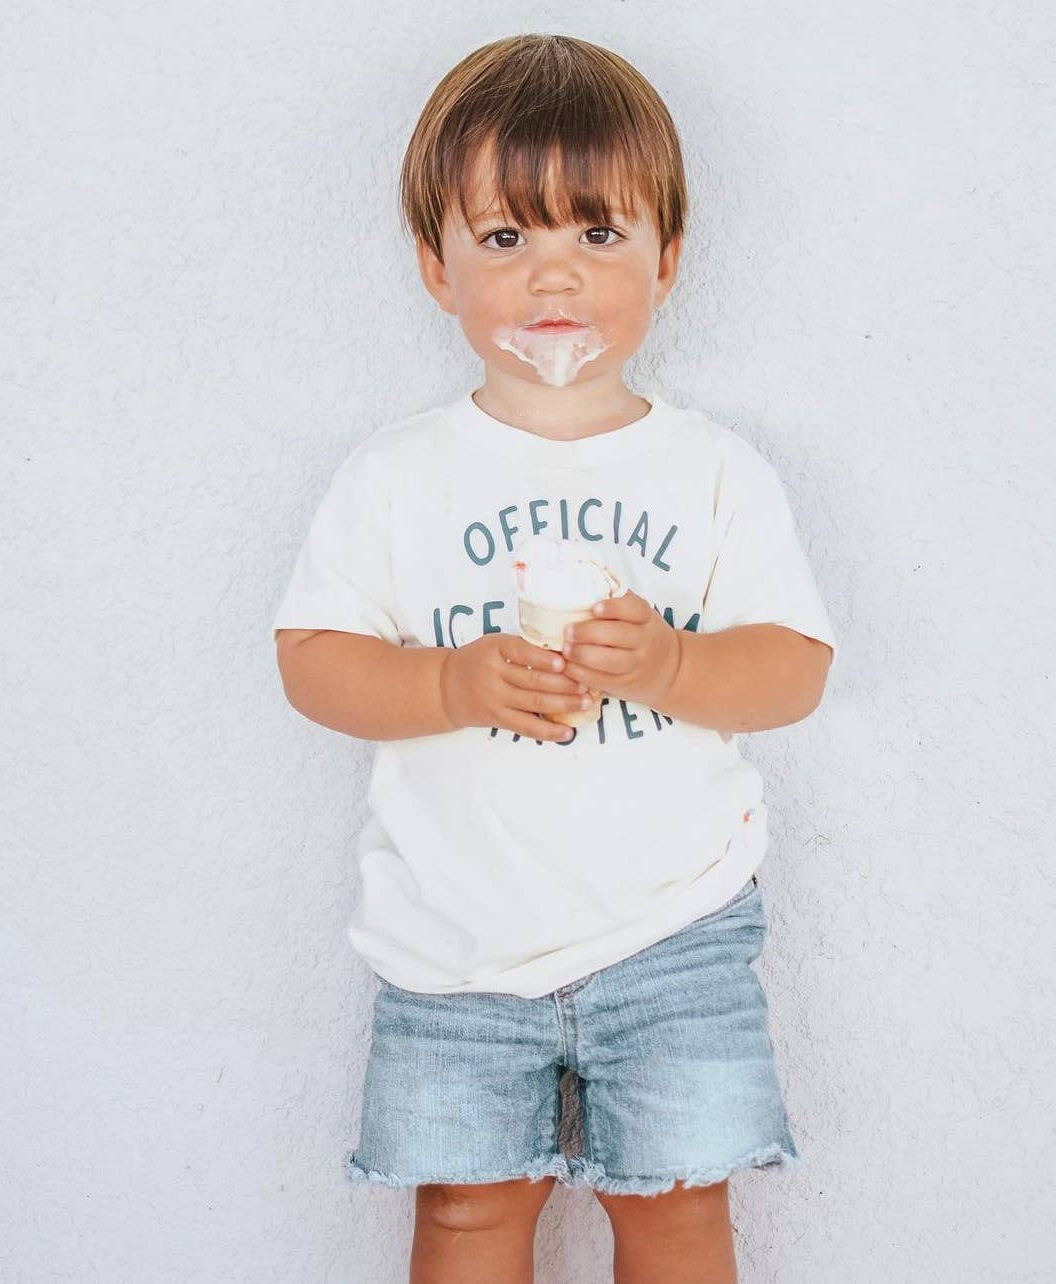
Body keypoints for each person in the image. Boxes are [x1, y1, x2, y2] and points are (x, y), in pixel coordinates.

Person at [271, 33, 838, 1284]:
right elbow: (310, 661)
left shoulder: (714, 474)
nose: (551, 279)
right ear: (436, 268)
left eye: (597, 236)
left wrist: (674, 666)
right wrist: (448, 682)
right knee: (469, 1216)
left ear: (668, 259)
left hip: (673, 930)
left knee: (677, 1214)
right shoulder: (397, 477)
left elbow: (794, 668)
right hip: (455, 941)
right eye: (503, 239)